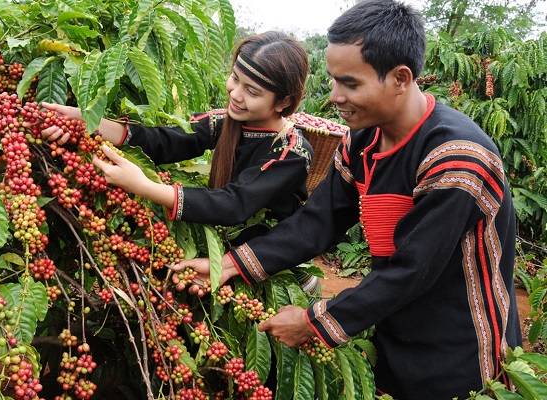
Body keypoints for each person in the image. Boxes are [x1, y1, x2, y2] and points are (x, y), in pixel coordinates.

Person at [170, 1, 523, 399]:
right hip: (394, 324)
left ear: (401, 78)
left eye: (350, 84)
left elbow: (413, 270)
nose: (334, 96)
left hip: (460, 344)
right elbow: (317, 221)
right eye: (334, 80)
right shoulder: (361, 139)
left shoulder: (456, 156)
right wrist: (229, 265)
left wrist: (314, 322)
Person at [37, 31, 320, 297]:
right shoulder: (225, 122)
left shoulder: (292, 152)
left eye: (252, 91)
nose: (235, 93)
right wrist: (89, 122)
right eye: (235, 78)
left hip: (269, 265)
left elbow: (233, 204)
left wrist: (144, 186)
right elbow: (164, 140)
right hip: (222, 251)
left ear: (283, 102)